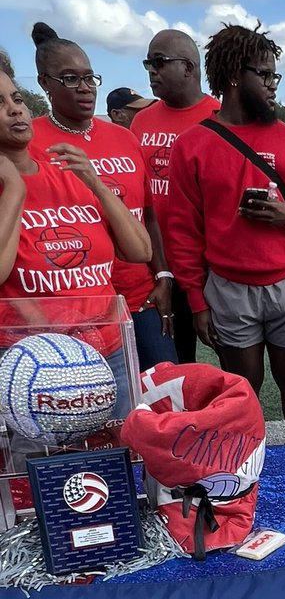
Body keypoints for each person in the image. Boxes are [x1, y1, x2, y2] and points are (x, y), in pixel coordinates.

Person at [165, 22, 285, 442]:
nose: (273, 84)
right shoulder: (193, 145)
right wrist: (197, 301)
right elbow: (183, 232)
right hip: (230, 289)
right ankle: (248, 471)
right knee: (244, 391)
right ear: (235, 75)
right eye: (265, 74)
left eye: (275, 74)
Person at [0, 59, 151, 420]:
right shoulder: (9, 190)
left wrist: (95, 182)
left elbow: (140, 250)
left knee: (120, 461)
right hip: (35, 363)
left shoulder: (65, 168)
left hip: (108, 348)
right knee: (46, 471)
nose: (14, 108)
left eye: (15, 97)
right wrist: (14, 192)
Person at [30, 23, 176, 372]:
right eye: (69, 78)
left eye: (89, 77)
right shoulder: (30, 143)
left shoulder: (124, 138)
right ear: (44, 83)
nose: (84, 88)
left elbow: (148, 216)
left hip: (143, 298)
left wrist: (163, 276)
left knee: (166, 398)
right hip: (79, 309)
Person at [130, 29, 220, 363]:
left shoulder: (219, 118)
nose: (151, 71)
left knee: (234, 363)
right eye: (148, 63)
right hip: (158, 266)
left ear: (189, 67)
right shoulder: (141, 121)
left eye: (159, 62)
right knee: (174, 364)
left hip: (208, 267)